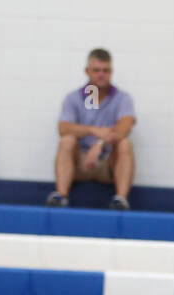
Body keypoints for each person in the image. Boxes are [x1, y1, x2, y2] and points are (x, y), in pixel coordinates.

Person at [48, 49, 136, 210]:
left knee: (124, 143)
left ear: (111, 72)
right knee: (67, 140)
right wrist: (92, 130)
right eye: (96, 70)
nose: (101, 74)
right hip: (80, 162)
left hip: (107, 163)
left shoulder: (123, 99)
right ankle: (61, 196)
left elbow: (124, 127)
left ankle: (120, 200)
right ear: (87, 71)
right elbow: (63, 128)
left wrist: (99, 144)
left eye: (106, 70)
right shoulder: (73, 98)